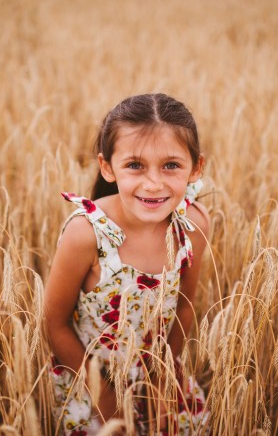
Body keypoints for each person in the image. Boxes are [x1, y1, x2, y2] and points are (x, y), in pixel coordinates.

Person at [44, 93, 210, 435]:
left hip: (157, 375)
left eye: (171, 165)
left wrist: (165, 380)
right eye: (135, 165)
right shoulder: (87, 234)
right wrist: (104, 397)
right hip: (88, 377)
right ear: (107, 167)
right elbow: (54, 324)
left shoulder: (192, 225)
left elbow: (184, 308)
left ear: (196, 168)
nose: (153, 183)